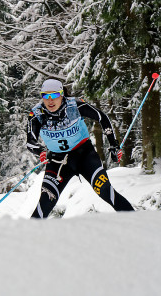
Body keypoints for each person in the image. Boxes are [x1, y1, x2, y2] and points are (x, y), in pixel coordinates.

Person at [26, 79, 135, 218]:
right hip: (58, 162)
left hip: (84, 156)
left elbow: (102, 117)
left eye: (54, 95)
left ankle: (137, 222)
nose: (50, 100)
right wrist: (41, 152)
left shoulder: (74, 106)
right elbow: (30, 142)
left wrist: (114, 144)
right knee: (45, 202)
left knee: (105, 191)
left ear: (62, 95)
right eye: (45, 96)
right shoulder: (37, 114)